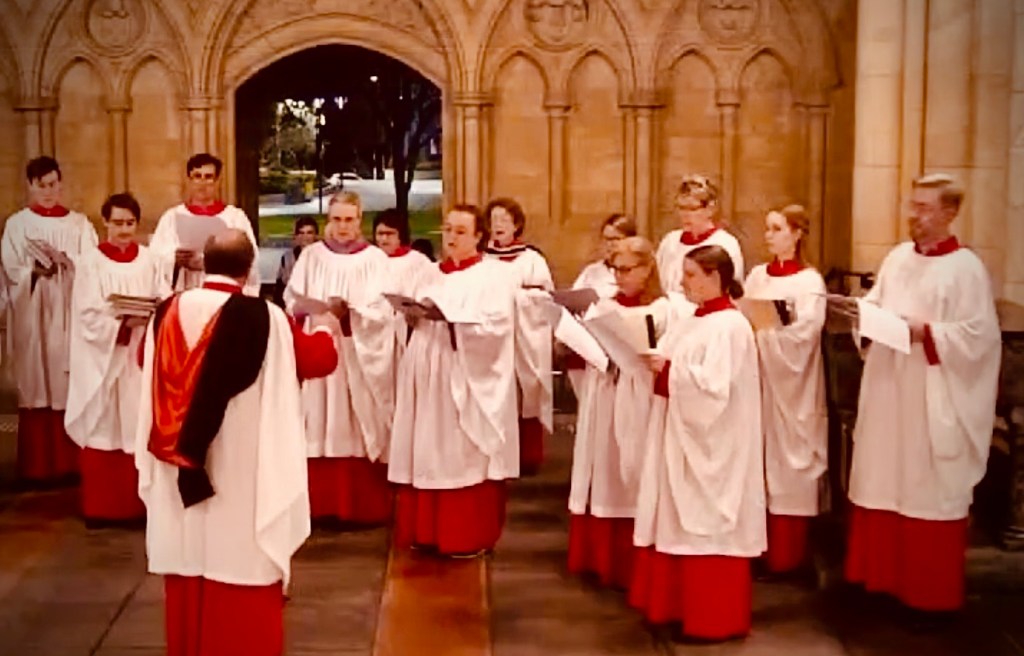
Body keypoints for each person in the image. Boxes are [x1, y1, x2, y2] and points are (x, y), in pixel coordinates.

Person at [135, 229, 316, 656]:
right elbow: (316, 359)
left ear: (205, 263)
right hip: (241, 466)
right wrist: (324, 331)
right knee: (239, 555)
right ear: (250, 268)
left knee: (188, 553)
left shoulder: (165, 311)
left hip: (177, 462)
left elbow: (145, 361)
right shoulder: (265, 317)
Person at [837, 174, 1001, 621]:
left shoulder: (965, 269)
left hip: (932, 395)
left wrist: (924, 332)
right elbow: (876, 302)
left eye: (925, 208)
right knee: (882, 481)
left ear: (950, 213)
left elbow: (979, 338)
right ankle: (879, 582)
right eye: (912, 206)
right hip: (890, 388)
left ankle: (928, 598)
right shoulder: (897, 258)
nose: (915, 216)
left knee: (925, 489)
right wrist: (863, 314)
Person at [630, 244, 764, 642]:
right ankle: (676, 607)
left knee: (706, 524)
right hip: (680, 436)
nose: (681, 282)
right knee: (675, 518)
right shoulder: (694, 319)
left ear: (715, 277)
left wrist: (668, 370)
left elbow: (714, 391)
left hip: (714, 445)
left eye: (690, 275)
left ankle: (711, 619)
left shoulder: (731, 326)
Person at [388, 204, 519, 557]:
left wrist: (454, 320)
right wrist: (410, 317)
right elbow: (406, 319)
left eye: (461, 231)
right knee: (426, 445)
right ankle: (425, 531)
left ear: (479, 236)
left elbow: (498, 328)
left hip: (463, 373)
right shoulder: (426, 273)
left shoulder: (494, 276)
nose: (451, 237)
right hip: (425, 366)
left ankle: (462, 534)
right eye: (447, 229)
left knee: (457, 450)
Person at [285, 191, 395, 526]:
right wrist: (308, 308)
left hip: (356, 353)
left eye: (349, 220)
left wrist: (352, 314)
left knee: (355, 420)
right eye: (336, 220)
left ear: (359, 220)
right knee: (317, 419)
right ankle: (319, 505)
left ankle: (361, 506)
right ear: (327, 220)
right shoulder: (312, 256)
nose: (343, 227)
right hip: (321, 351)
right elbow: (292, 298)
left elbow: (384, 309)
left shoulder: (375, 259)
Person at [567, 236, 668, 590]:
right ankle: (601, 559)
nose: (619, 277)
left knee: (634, 470)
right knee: (605, 468)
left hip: (638, 400)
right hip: (605, 394)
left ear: (647, 269)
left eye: (626, 269)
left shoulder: (663, 309)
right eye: (614, 269)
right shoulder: (603, 307)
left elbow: (661, 356)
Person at [64, 193, 169, 524]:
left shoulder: (150, 260)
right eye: (117, 223)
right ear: (105, 223)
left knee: (138, 424)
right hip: (105, 361)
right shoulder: (90, 262)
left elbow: (164, 299)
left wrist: (150, 316)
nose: (124, 231)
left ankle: (138, 507)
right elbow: (86, 314)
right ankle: (102, 508)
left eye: (130, 223)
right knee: (105, 424)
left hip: (138, 356)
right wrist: (122, 323)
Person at [1, 156, 98, 485]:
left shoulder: (79, 225)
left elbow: (93, 266)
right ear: (30, 186)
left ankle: (72, 464)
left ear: (61, 184)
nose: (48, 191)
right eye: (41, 185)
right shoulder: (17, 225)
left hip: (69, 312)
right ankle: (37, 468)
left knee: (67, 381)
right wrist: (33, 271)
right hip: (35, 314)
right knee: (37, 381)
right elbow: (10, 270)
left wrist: (68, 264)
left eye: (53, 184)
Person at [744, 206, 827, 576]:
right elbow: (746, 315)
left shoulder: (810, 283)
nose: (769, 235)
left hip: (794, 386)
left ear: (797, 234)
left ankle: (790, 557)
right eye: (768, 228)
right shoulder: (758, 276)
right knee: (759, 461)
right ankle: (757, 548)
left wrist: (768, 338)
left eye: (777, 229)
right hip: (759, 383)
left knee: (791, 464)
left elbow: (806, 334)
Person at [484, 197, 554, 476]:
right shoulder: (484, 259)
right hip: (494, 338)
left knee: (528, 390)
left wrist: (517, 298)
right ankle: (499, 452)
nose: (498, 225)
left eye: (504, 219)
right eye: (494, 219)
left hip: (526, 336)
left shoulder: (532, 259)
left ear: (517, 225)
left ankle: (528, 456)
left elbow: (545, 299)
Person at [150, 153, 260, 295]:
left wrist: (211, 261)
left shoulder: (235, 218)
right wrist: (174, 260)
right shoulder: (171, 217)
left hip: (223, 296)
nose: (202, 182)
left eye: (208, 177)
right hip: (185, 293)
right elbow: (154, 259)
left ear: (217, 181)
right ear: (189, 180)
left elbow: (250, 259)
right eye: (197, 176)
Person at [655, 175, 744, 306]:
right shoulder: (670, 241)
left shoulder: (725, 243)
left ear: (710, 209)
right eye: (681, 208)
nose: (685, 215)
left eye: (692, 209)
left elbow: (732, 292)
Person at [374, 207, 438, 373]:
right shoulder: (369, 261)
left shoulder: (417, 262)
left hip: (406, 334)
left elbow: (428, 294)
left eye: (389, 233)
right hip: (375, 336)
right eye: (380, 233)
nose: (383, 238)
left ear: (400, 235)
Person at [572, 214, 639, 299]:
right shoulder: (591, 272)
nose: (609, 244)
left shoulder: (638, 271)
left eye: (615, 239)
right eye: (606, 239)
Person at [274, 216, 318, 305]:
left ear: (316, 235)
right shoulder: (287, 258)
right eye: (301, 233)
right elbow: (280, 288)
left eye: (309, 233)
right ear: (296, 236)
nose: (305, 237)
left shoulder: (323, 257)